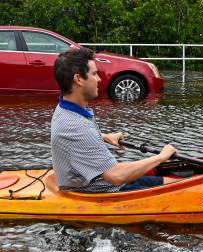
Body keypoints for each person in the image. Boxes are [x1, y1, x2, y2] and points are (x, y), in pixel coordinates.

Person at [50, 46, 176, 193]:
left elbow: (75, 138)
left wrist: (103, 137)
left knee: (176, 181)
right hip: (104, 190)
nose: (99, 79)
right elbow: (115, 175)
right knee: (179, 188)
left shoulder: (65, 108)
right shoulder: (77, 126)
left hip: (101, 182)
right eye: (94, 74)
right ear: (78, 79)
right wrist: (161, 157)